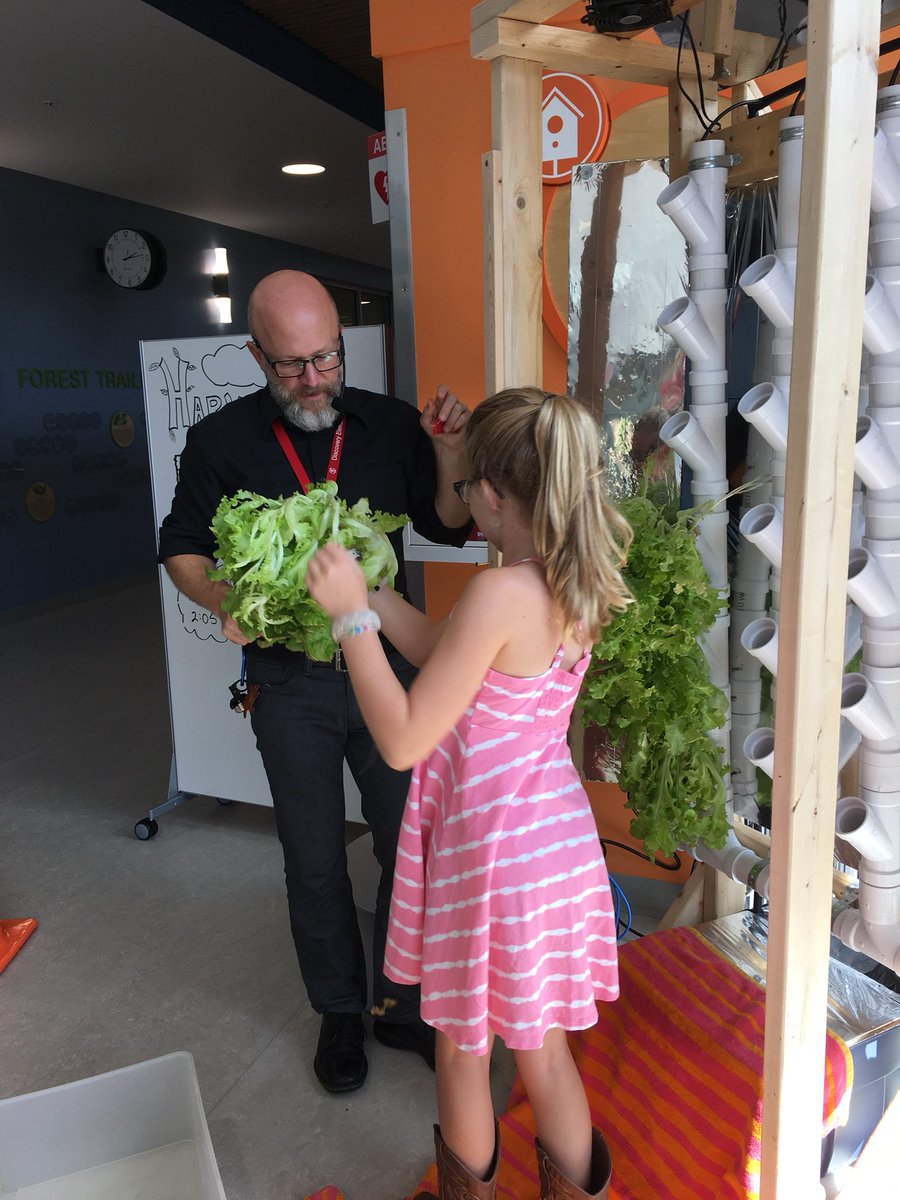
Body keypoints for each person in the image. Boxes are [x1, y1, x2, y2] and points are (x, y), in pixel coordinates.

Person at [305, 388, 632, 1200]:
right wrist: (377, 598)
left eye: (463, 491)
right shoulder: (573, 579)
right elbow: (445, 652)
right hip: (554, 846)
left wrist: (349, 621)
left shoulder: (499, 592)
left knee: (462, 1049)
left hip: (492, 859)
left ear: (490, 494)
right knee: (543, 1051)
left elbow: (404, 738)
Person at [158, 270, 473, 1095]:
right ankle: (338, 1009)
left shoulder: (391, 425)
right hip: (289, 681)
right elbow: (181, 546)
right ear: (256, 355)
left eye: (326, 357)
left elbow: (446, 523)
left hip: (389, 669)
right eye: (291, 364)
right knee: (313, 858)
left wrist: (447, 453)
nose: (312, 378)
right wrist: (221, 598)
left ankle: (401, 1004)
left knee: (411, 845)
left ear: (340, 342)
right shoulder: (222, 439)